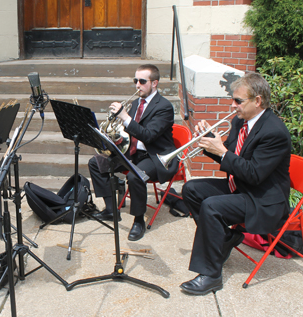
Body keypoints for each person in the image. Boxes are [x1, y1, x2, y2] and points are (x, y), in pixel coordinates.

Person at [180, 72, 291, 295]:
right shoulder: (240, 122)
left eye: (238, 101)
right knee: (191, 189)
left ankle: (211, 275)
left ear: (257, 101)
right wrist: (210, 141)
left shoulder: (274, 132)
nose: (233, 106)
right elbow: (231, 155)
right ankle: (225, 238)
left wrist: (221, 151)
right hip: (242, 187)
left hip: (263, 199)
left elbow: (254, 174)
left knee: (212, 206)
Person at [89, 64, 178, 241]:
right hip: (132, 151)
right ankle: (110, 209)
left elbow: (149, 136)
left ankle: (138, 220)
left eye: (142, 81)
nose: (137, 85)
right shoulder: (136, 102)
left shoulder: (164, 107)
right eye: (135, 80)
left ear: (154, 83)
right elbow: (128, 131)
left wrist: (125, 117)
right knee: (95, 162)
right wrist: (114, 137)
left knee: (135, 176)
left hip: (155, 155)